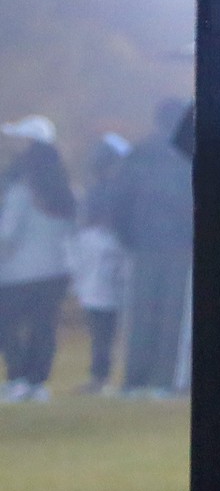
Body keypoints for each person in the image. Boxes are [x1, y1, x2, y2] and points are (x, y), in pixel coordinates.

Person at [117, 98, 192, 397]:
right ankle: (164, 379)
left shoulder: (139, 153)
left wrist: (128, 238)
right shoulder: (190, 151)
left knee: (141, 314)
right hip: (181, 246)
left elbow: (121, 199)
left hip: (144, 244)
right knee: (173, 315)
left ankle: (135, 379)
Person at [0, 115, 76, 401]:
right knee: (43, 328)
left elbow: (7, 232)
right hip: (55, 269)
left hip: (17, 272)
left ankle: (18, 378)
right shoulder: (62, 187)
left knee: (7, 326)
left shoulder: (22, 186)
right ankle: (37, 382)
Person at [69, 132, 132, 393]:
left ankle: (101, 375)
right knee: (105, 320)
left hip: (102, 256)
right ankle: (101, 374)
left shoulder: (104, 190)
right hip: (107, 255)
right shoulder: (113, 189)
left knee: (102, 320)